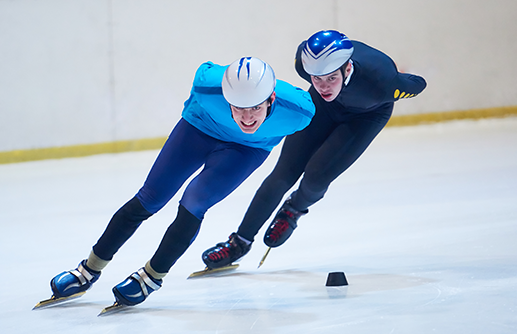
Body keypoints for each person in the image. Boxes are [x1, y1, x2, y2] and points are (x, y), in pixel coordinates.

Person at [43, 57, 315, 308]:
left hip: (246, 150)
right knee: (150, 197)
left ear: (272, 98)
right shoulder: (208, 87)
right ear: (226, 97)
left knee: (194, 201)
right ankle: (88, 270)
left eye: (255, 108)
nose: (246, 118)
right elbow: (205, 68)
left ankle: (152, 275)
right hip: (199, 129)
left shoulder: (299, 111)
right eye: (238, 107)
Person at [202, 30, 427, 269]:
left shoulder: (382, 82)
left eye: (331, 78)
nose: (323, 85)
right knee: (283, 173)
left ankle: (294, 209)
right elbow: (319, 80)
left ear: (347, 69)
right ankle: (239, 242)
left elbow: (418, 84)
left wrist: (397, 76)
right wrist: (323, 83)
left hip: (366, 116)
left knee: (317, 176)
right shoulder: (305, 63)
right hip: (324, 108)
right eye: (317, 78)